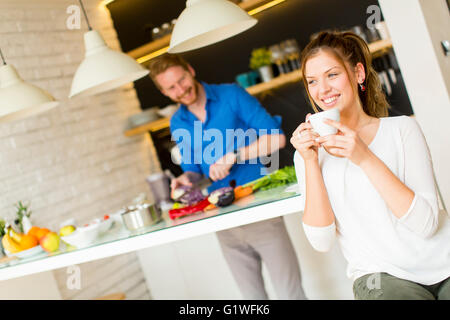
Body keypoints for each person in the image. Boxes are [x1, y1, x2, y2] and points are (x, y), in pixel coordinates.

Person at [290, 30, 450, 300]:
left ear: (358, 74)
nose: (323, 89)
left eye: (332, 75)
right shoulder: (308, 154)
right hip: (380, 275)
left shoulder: (402, 129)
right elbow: (322, 241)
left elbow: (426, 224)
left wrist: (364, 157)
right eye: (312, 81)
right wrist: (310, 162)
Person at [147, 53, 306, 300]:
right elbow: (195, 174)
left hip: (260, 208)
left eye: (181, 80)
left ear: (190, 69)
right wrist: (184, 180)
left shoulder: (231, 95)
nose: (181, 90)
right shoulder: (178, 122)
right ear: (164, 93)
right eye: (171, 87)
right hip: (222, 219)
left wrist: (234, 155)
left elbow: (277, 139)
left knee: (290, 295)